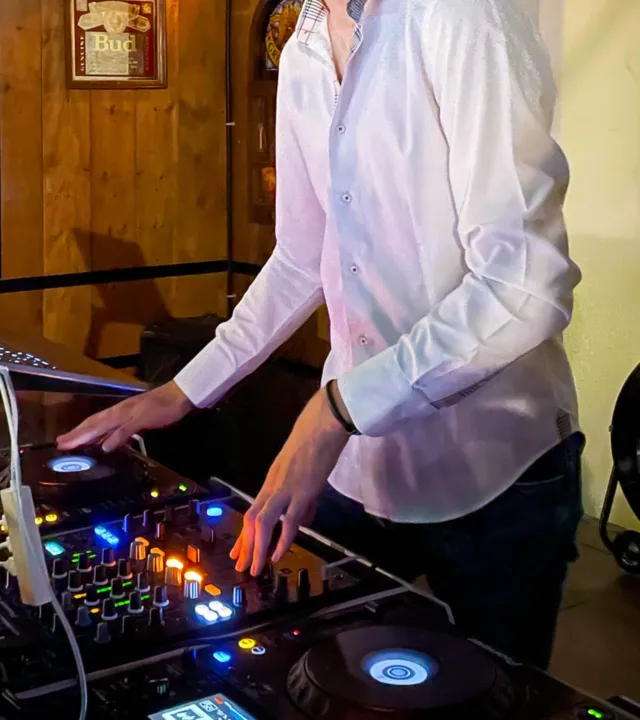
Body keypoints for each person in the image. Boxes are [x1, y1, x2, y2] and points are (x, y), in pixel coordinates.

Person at [59, 0, 581, 670]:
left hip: (492, 468)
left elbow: (525, 284)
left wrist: (337, 409)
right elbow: (300, 258)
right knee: (300, 674)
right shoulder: (303, 45)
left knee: (491, 695)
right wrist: (184, 389)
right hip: (360, 462)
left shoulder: (462, 17)